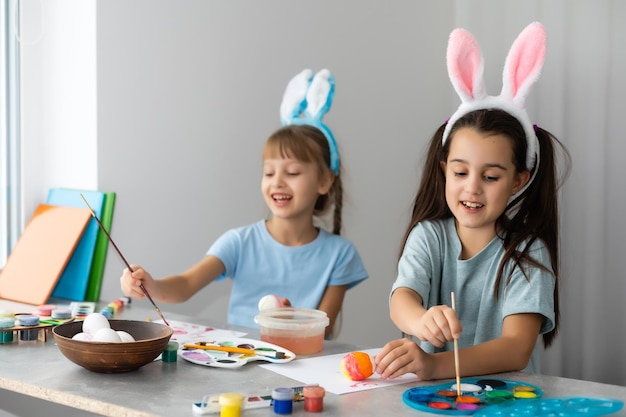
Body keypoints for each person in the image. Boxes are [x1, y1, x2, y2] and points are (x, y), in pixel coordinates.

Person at [374, 22, 570, 380]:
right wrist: (421, 319)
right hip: (433, 400)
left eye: (491, 176)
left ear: (518, 182)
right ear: (445, 170)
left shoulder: (527, 251)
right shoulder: (429, 236)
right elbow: (401, 299)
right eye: (461, 173)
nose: (472, 188)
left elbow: (516, 348)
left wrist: (433, 365)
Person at [120, 69, 368, 339]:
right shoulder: (239, 242)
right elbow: (186, 284)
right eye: (269, 172)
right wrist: (150, 285)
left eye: (293, 172)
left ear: (324, 181)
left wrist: (290, 318)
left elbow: (326, 327)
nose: (278, 182)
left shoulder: (340, 254)